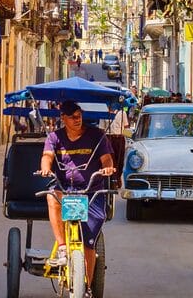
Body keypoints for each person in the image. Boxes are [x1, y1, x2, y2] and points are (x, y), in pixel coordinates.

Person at [39, 101, 115, 295]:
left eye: (79, 115)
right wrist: (46, 167)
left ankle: (87, 288)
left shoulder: (97, 136)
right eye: (72, 116)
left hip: (90, 192)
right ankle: (63, 247)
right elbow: (47, 155)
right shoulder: (55, 137)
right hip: (65, 189)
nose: (77, 119)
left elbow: (106, 158)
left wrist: (107, 167)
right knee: (52, 197)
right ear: (62, 118)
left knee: (89, 241)